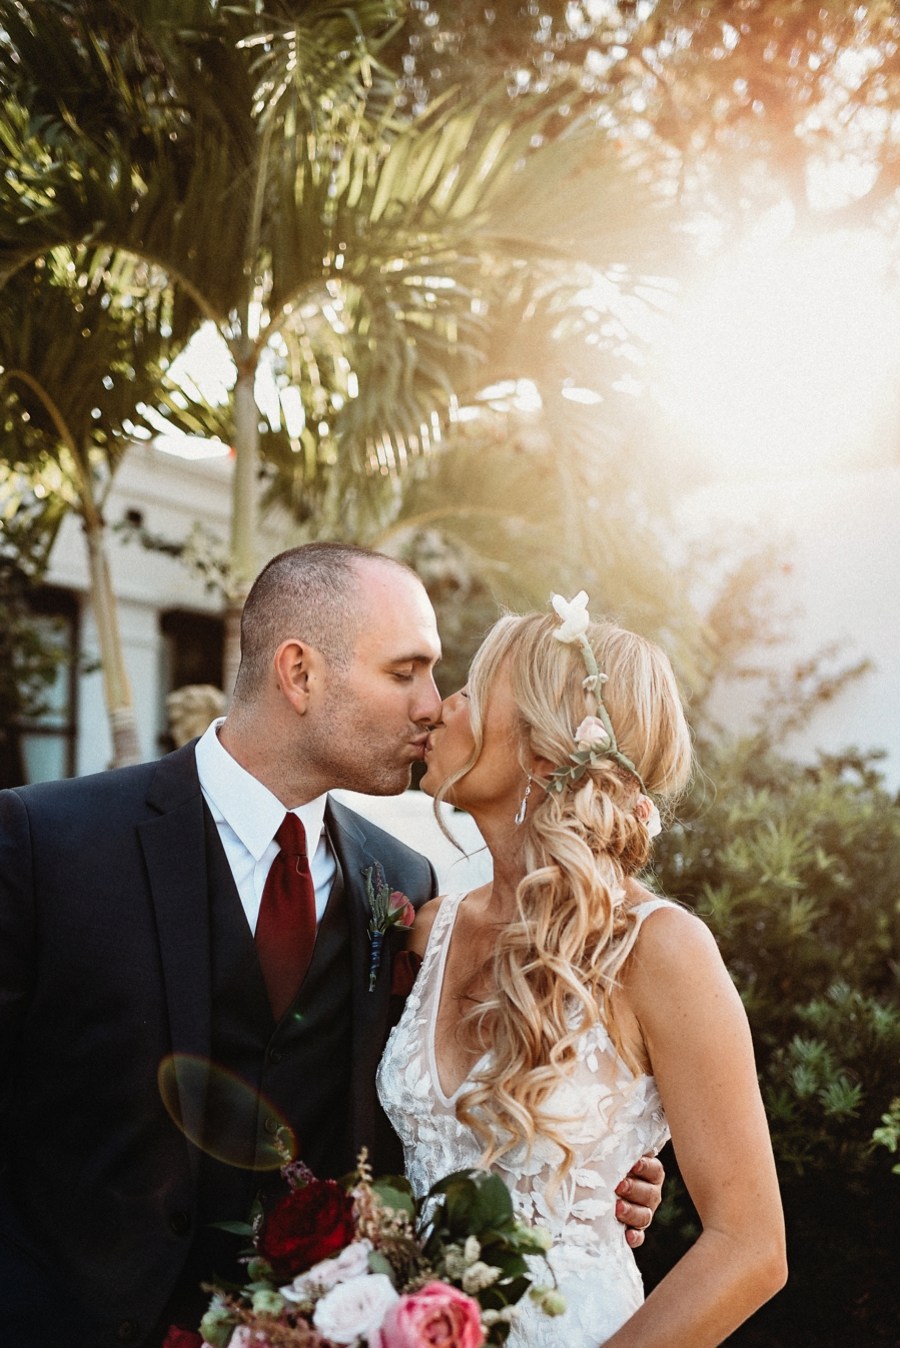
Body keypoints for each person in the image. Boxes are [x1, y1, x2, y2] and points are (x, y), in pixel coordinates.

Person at [0, 548, 660, 1348]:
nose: (433, 704)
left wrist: (594, 1158)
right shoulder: (47, 843)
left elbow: (442, 1107)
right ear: (300, 674)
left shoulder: (404, 885)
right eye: (405, 671)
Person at [378, 596, 788, 1348]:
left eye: (470, 691)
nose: (440, 708)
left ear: (541, 751)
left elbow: (751, 1248)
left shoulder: (660, 950)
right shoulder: (427, 932)